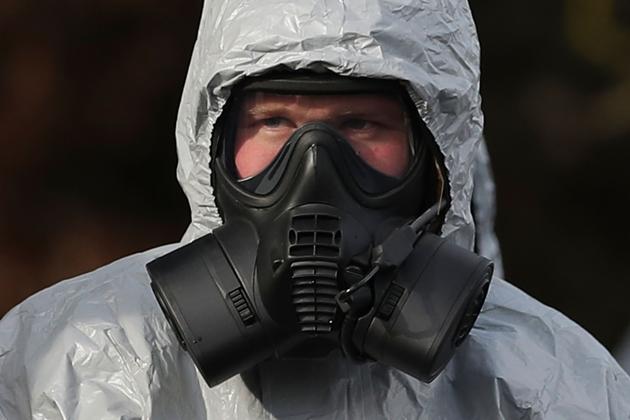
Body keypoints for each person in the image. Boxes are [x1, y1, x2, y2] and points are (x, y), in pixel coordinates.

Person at [1, 0, 629, 419]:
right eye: (274, 122)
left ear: (438, 153)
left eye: (360, 124)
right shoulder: (66, 363)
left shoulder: (546, 382)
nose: (315, 170)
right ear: (211, 144)